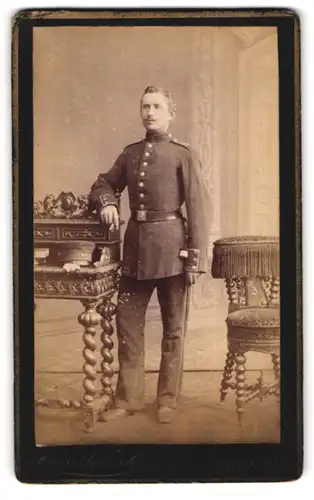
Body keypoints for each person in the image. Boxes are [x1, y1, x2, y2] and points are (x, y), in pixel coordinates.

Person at [89, 86, 211, 423]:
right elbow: (102, 183)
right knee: (127, 324)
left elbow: (199, 209)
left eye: (157, 107)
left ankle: (167, 399)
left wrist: (195, 259)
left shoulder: (182, 154)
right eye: (145, 106)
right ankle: (129, 398)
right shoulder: (130, 154)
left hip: (174, 252)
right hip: (135, 253)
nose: (150, 112)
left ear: (171, 113)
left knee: (173, 328)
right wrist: (109, 203)